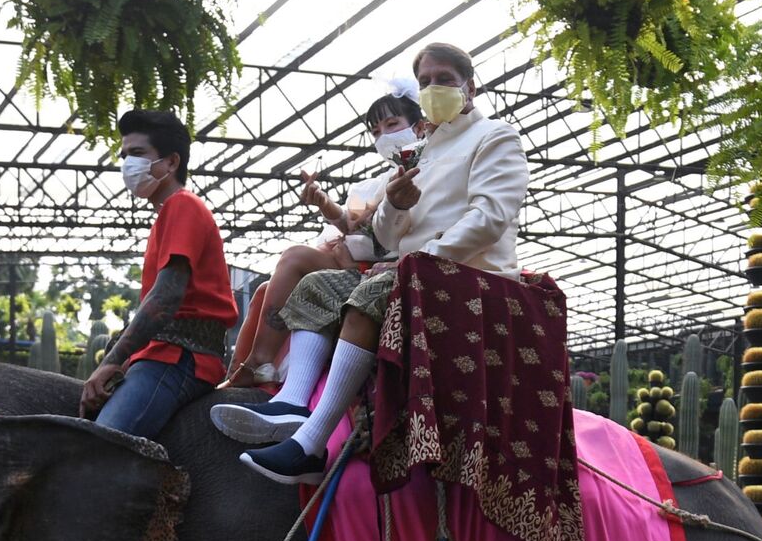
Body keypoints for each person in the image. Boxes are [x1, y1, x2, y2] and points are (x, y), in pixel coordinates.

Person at [212, 41, 530, 485]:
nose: (433, 88)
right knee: (317, 285)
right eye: (425, 82)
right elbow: (384, 236)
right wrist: (395, 205)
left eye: (444, 80)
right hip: (418, 274)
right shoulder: (423, 151)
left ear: (470, 88)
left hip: (473, 277)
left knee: (375, 288)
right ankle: (292, 403)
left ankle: (311, 445)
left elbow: (490, 218)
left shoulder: (496, 136)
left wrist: (418, 262)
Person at [223, 87, 424, 392]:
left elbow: (372, 230)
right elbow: (351, 222)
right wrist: (322, 201)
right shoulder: (374, 183)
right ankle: (241, 367)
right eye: (375, 131)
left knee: (294, 257)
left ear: (419, 126)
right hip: (349, 258)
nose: (383, 136)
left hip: (373, 268)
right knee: (265, 290)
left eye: (392, 124)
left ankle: (259, 362)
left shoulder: (422, 174)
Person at [78, 108, 239, 440]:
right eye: (124, 155)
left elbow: (166, 296)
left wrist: (111, 360)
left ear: (171, 162)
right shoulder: (168, 215)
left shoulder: (183, 205)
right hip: (163, 355)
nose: (128, 164)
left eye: (137, 153)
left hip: (178, 359)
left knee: (99, 447)